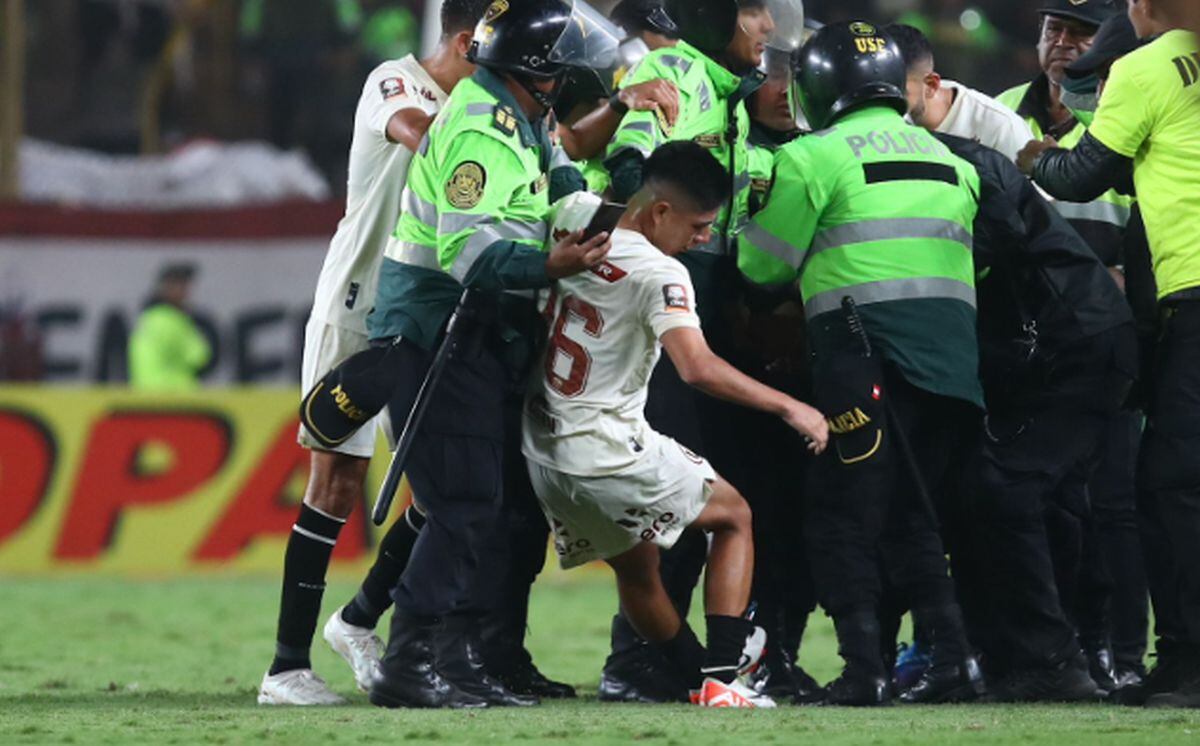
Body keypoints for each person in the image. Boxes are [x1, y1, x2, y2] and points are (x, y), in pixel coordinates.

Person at [365, 0, 618, 709]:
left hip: (485, 334)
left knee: (494, 507)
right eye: (563, 63)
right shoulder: (481, 127)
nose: (572, 74)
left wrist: (609, 215)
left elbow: (562, 191)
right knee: (464, 505)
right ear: (536, 72)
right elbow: (469, 251)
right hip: (438, 334)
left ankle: (465, 659)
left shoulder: (526, 121)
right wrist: (552, 266)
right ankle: (409, 665)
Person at [523, 141, 828, 709]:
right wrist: (791, 406)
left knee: (638, 570)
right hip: (604, 446)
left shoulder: (575, 218)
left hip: (543, 450)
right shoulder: (663, 273)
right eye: (699, 225)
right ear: (660, 212)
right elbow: (697, 367)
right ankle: (723, 677)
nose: (705, 238)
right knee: (734, 515)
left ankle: (699, 682)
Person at [739, 21, 985, 706]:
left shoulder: (813, 156)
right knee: (914, 518)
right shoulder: (954, 163)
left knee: (839, 516)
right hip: (952, 371)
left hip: (864, 356)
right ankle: (951, 659)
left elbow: (761, 266)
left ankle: (863, 670)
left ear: (821, 86)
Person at [258, 0, 492, 707]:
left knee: (443, 486)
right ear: (465, 38)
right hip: (357, 309)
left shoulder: (484, 105)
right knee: (334, 480)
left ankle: (358, 621)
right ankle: (286, 668)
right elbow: (415, 135)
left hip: (423, 314)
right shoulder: (396, 81)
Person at [596, 0, 785, 704]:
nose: (766, 28)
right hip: (666, 301)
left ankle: (679, 662)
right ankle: (640, 663)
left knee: (692, 488)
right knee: (670, 490)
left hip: (699, 290)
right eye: (755, 12)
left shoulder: (724, 90)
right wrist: (653, 260)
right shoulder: (678, 68)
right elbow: (629, 168)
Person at [1020, 0, 1200, 709]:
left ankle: (1188, 659)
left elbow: (1078, 178)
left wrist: (1009, 139)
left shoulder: (1147, 66)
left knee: (1173, 483)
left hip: (1194, 290)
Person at [997, 0, 1134, 268]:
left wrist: (1128, 276)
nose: (1062, 41)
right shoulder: (1000, 109)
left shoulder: (1126, 114)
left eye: (1081, 32)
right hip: (1017, 297)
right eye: (1054, 29)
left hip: (1105, 297)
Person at [886, 23, 1035, 163]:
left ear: (931, 85)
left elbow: (1030, 190)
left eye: (897, 89)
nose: (883, 98)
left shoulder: (1001, 128)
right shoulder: (878, 123)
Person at [128, 264, 211, 391]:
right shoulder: (172, 320)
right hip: (174, 396)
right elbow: (199, 356)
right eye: (180, 285)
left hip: (144, 396)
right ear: (165, 288)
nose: (186, 291)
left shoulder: (148, 318)